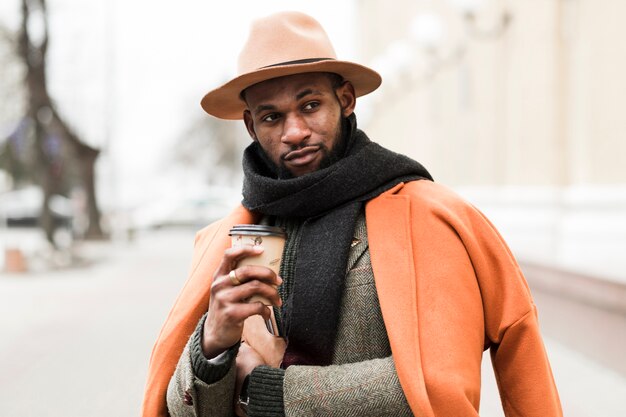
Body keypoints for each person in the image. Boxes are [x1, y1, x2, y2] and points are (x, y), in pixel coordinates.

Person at [142, 11, 562, 417]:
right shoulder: (228, 238)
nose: (294, 132)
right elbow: (182, 409)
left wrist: (270, 389)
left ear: (345, 99)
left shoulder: (427, 218)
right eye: (272, 117)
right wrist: (212, 347)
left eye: (309, 105)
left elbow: (440, 386)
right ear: (251, 126)